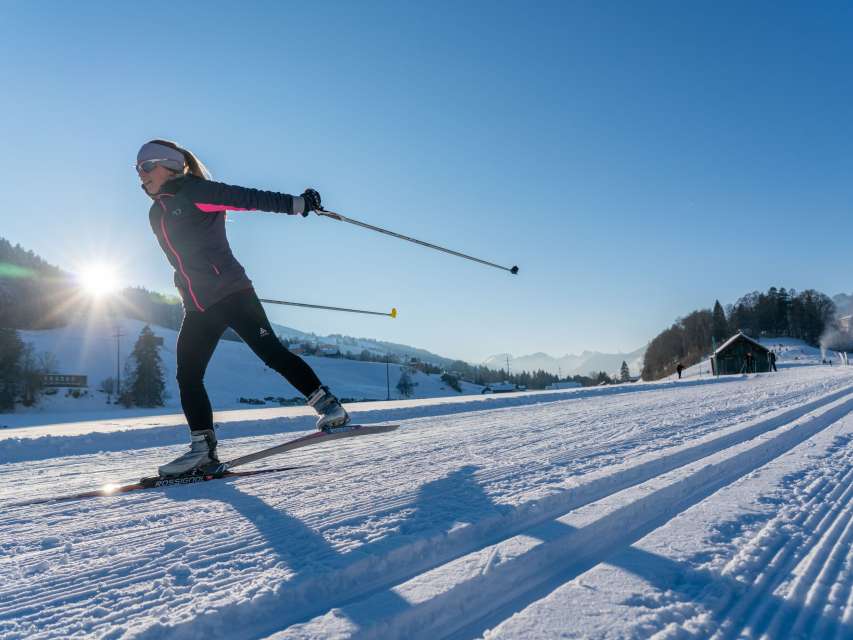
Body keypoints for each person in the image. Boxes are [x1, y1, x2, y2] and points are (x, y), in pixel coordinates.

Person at [136, 140, 350, 477]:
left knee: (272, 354)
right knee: (188, 375)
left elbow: (248, 198)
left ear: (170, 165)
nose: (140, 174)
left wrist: (299, 204)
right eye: (137, 169)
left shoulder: (195, 192)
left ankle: (329, 407)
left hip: (233, 294)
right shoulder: (155, 213)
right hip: (199, 307)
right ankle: (203, 451)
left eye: (146, 166)